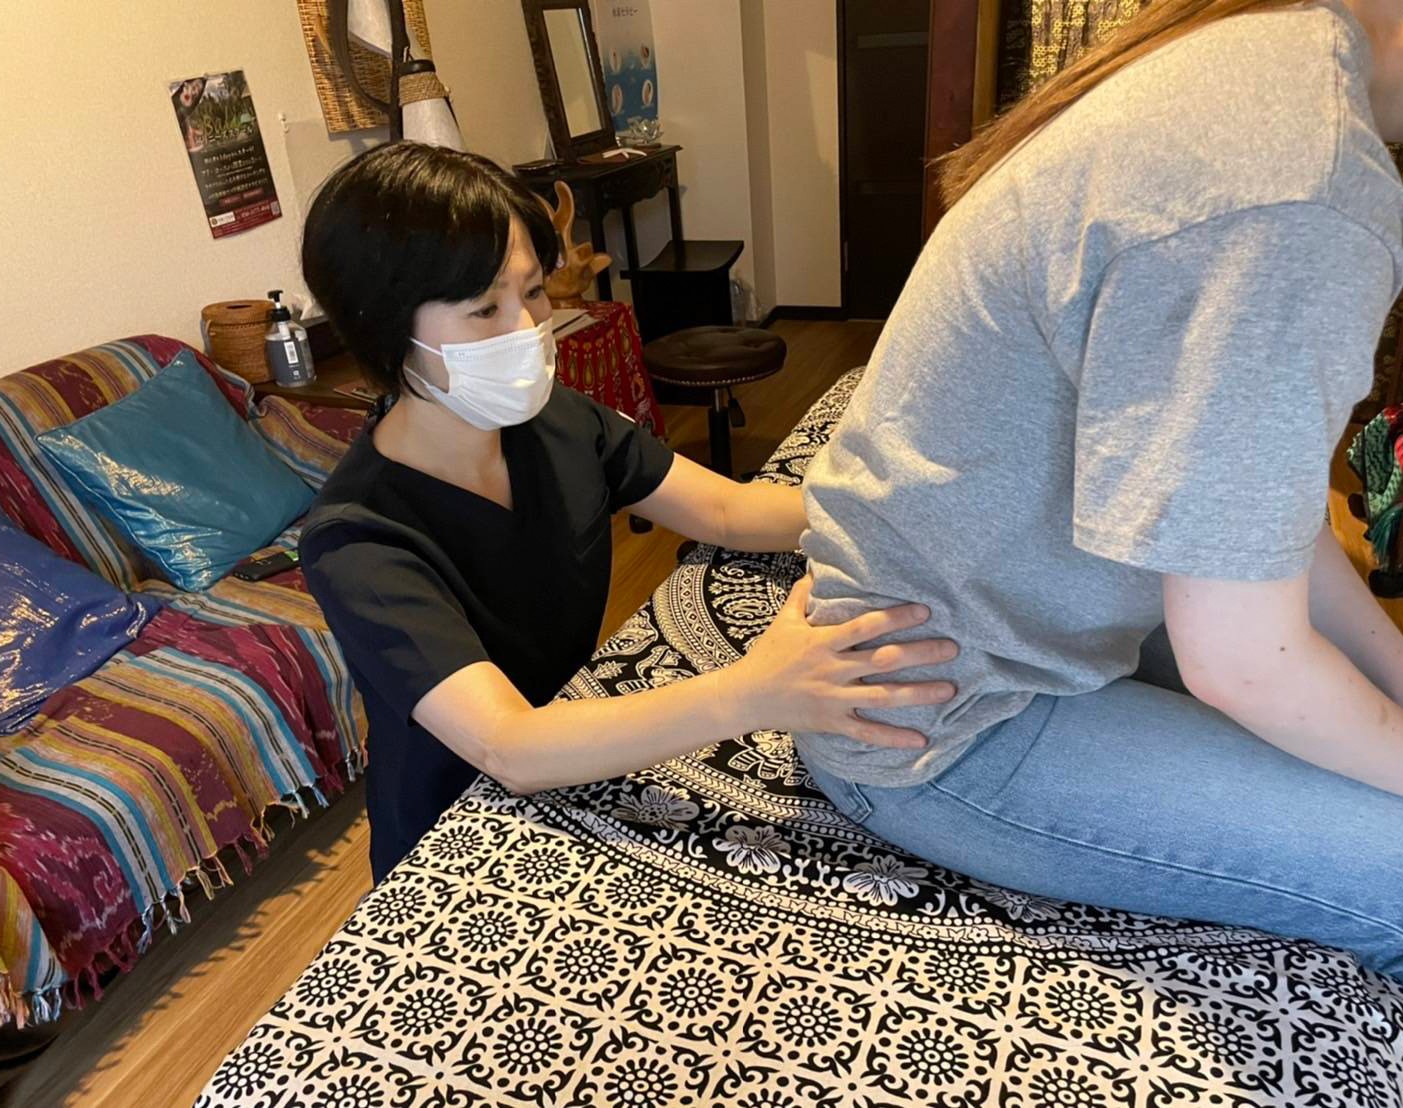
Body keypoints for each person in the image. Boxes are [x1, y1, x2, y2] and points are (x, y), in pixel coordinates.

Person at [794, 0, 1403, 1095]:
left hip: (1006, 623)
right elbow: (1241, 659)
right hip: (938, 716)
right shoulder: (1302, 185)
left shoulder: (1262, 67)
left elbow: (1257, 521)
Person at [297, 142, 959, 882]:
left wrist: (895, 513)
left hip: (586, 763)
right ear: (387, 327)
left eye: (533, 292)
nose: (526, 329)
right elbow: (508, 746)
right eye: (484, 308)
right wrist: (755, 692)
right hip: (459, 837)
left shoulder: (556, 422)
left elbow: (728, 510)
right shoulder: (358, 540)